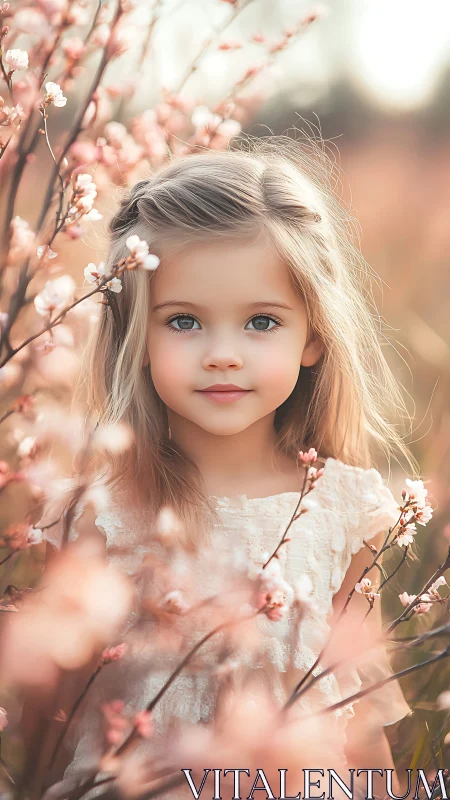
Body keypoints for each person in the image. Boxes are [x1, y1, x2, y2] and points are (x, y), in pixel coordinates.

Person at [42, 137, 416, 797]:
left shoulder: (346, 512)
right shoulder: (103, 513)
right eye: (184, 321)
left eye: (261, 322)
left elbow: (358, 714)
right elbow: (54, 718)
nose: (222, 354)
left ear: (314, 336)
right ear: (134, 330)